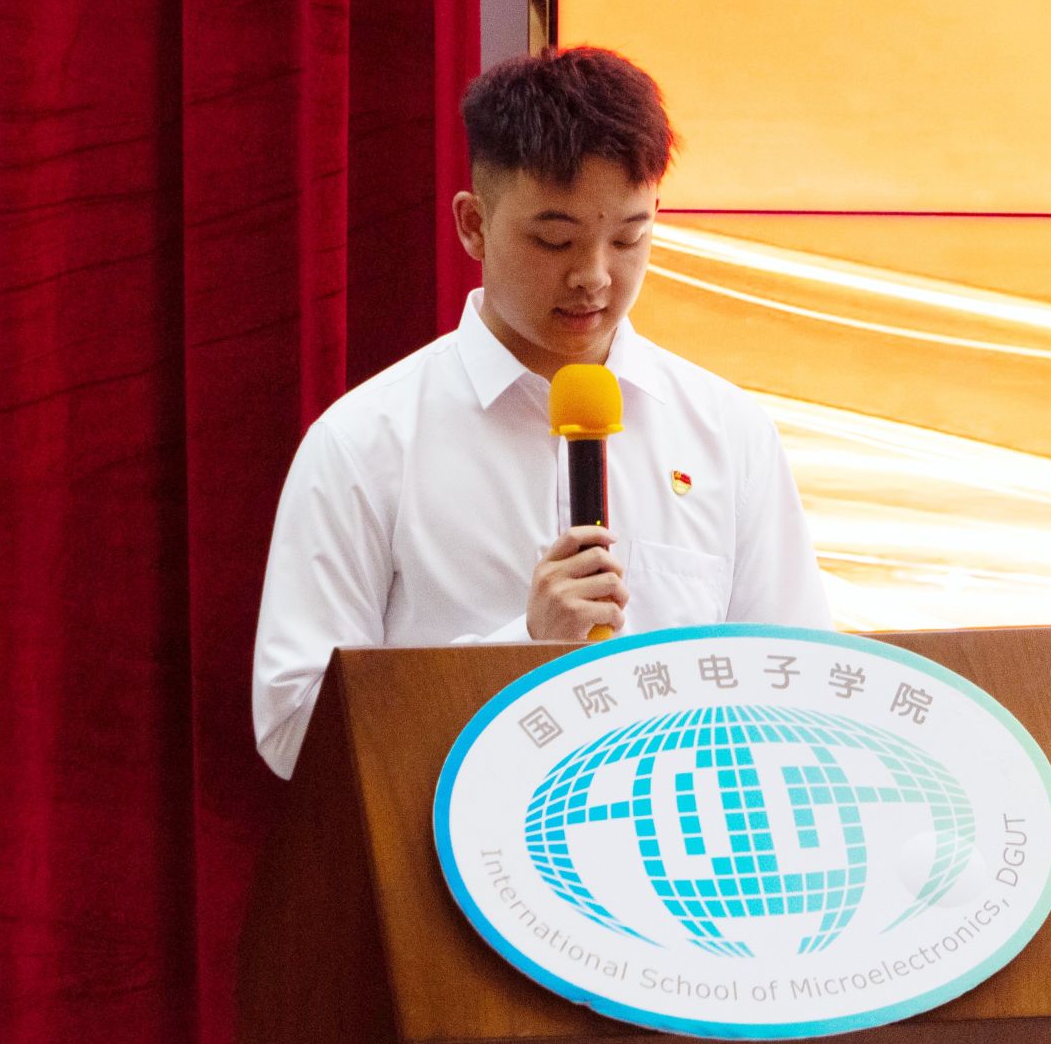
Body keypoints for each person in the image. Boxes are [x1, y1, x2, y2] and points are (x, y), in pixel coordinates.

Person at [251, 47, 832, 778]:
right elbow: (293, 727)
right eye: (554, 239)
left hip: (677, 839)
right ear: (473, 225)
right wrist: (519, 651)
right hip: (446, 846)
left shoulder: (728, 432)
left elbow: (799, 688)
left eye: (628, 238)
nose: (594, 276)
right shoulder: (365, 442)